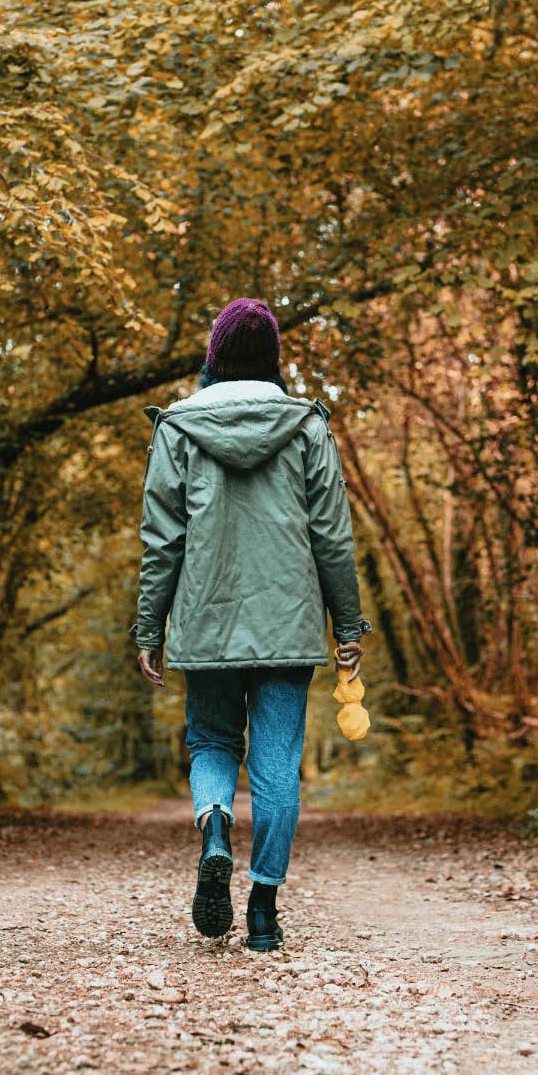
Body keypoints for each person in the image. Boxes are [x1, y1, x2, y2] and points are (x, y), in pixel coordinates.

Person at [131, 297, 371, 950]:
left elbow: (162, 543)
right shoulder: (307, 428)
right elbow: (332, 538)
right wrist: (347, 625)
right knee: (275, 767)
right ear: (273, 358)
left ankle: (214, 830)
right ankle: (263, 912)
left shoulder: (176, 428)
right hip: (288, 625)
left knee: (211, 742)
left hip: (205, 626)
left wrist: (149, 629)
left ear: (213, 354)